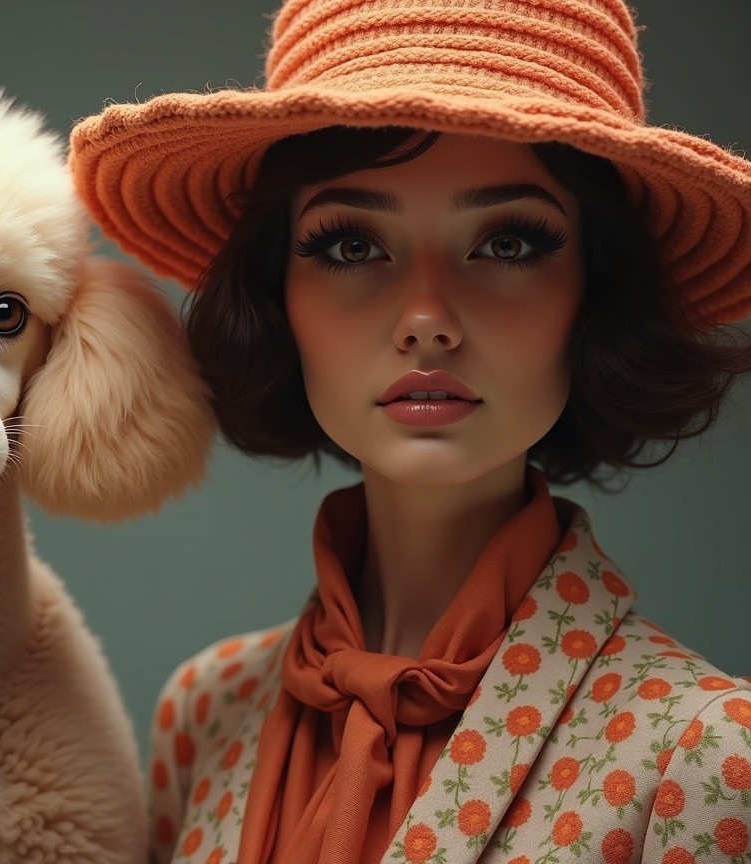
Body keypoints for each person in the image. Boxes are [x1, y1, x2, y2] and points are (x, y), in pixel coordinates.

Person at [69, 1, 751, 863]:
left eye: (507, 243)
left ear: (597, 294)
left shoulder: (704, 755)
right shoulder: (206, 710)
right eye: (352, 245)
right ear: (277, 289)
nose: (427, 318)